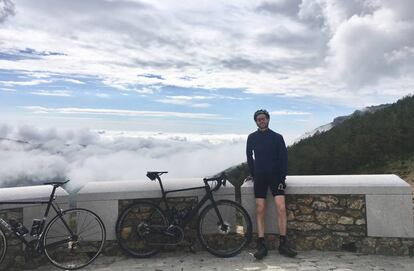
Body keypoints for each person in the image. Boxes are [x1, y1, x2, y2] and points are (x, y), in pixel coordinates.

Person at [246, 109, 297, 259]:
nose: (261, 121)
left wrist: (282, 178)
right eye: (258, 119)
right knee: (260, 209)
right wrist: (254, 174)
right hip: (260, 177)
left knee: (281, 208)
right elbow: (249, 157)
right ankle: (262, 244)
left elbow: (284, 159)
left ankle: (283, 243)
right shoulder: (252, 138)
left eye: (263, 119)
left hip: (276, 178)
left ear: (268, 119)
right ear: (256, 121)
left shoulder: (277, 137)